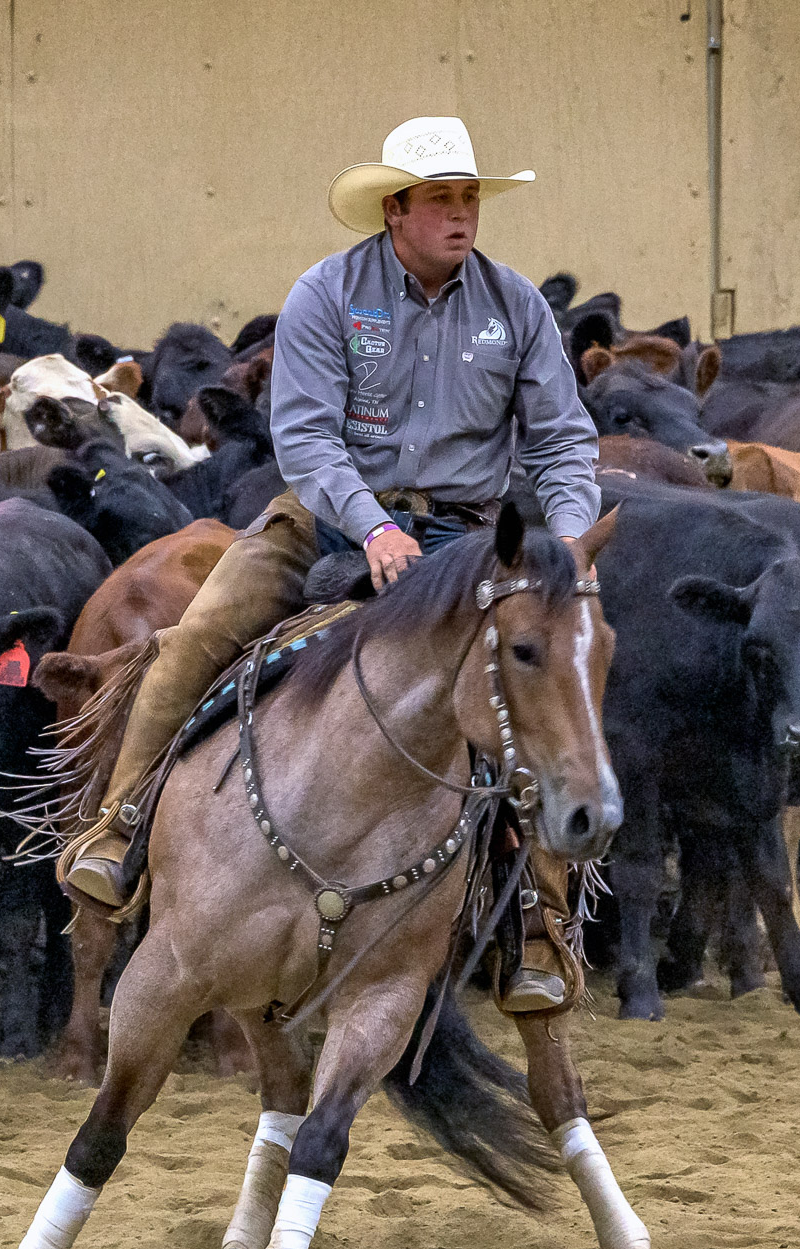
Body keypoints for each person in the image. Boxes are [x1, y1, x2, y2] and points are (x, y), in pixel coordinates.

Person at [60, 115, 602, 1014]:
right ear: (395, 210)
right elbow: (308, 438)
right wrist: (374, 526)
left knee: (545, 684)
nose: (461, 214)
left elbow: (563, 442)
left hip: (469, 535)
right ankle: (119, 830)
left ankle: (541, 928)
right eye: (441, 199)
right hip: (326, 517)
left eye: (470, 197)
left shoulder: (516, 307)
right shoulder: (329, 293)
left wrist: (571, 541)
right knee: (200, 634)